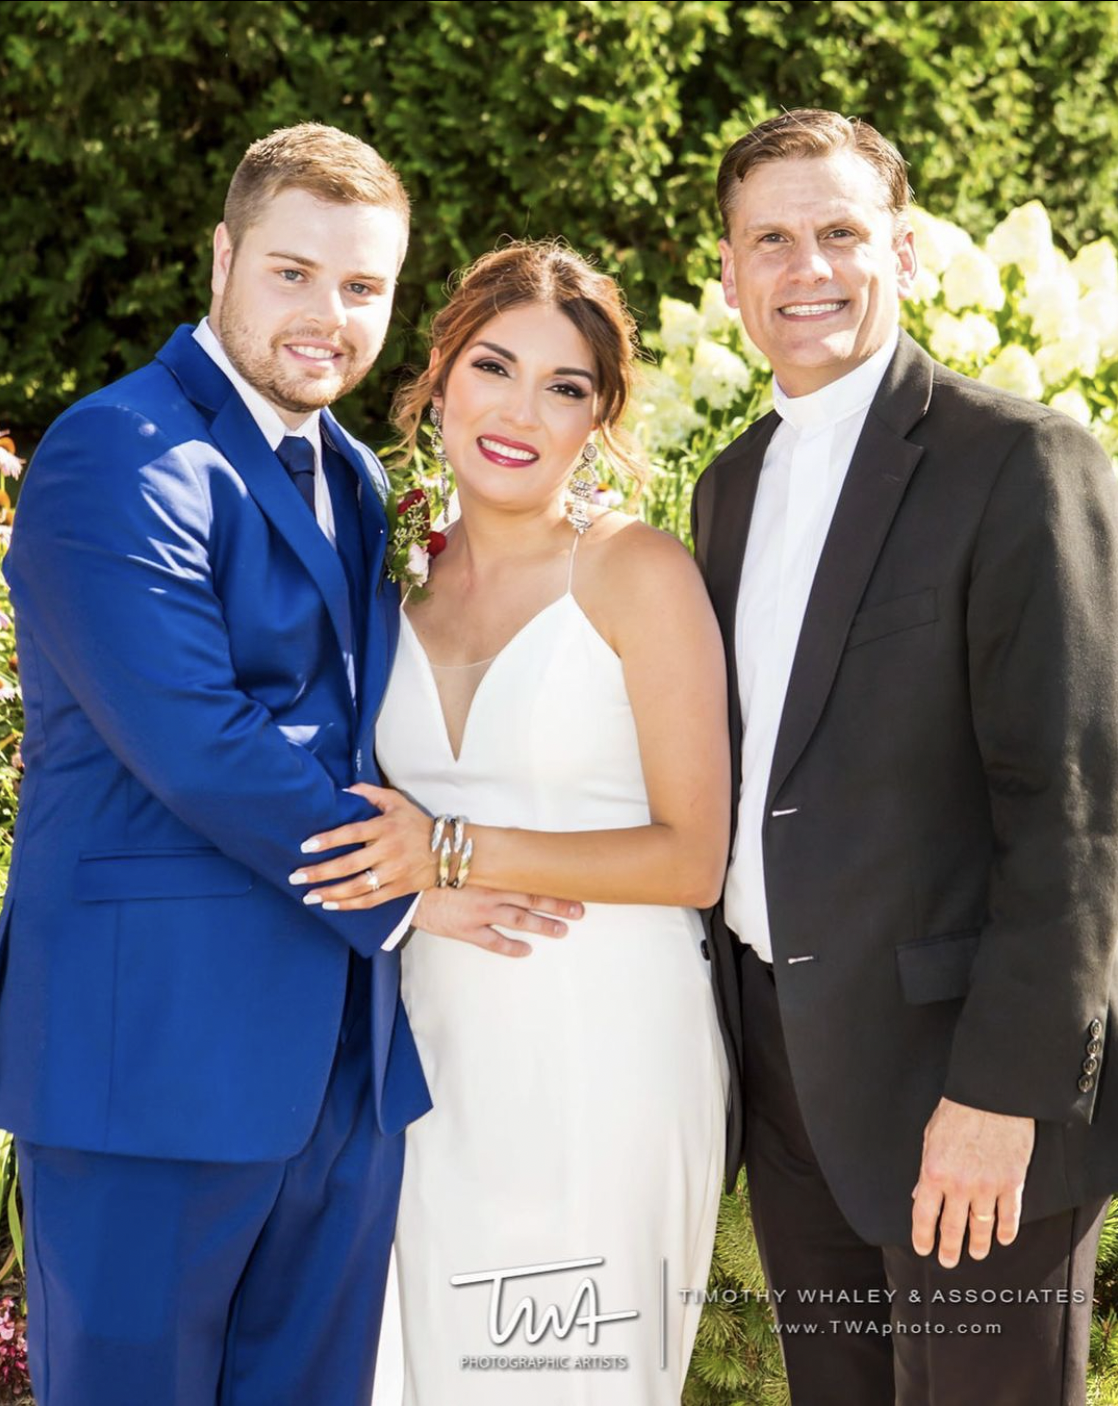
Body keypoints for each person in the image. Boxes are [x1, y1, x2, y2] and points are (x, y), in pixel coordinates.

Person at [0, 125, 578, 1406]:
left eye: (363, 287)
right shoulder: (119, 452)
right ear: (221, 256)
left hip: (343, 1071)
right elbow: (198, 743)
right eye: (292, 273)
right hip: (150, 1062)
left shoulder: (357, 476)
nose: (328, 315)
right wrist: (420, 885)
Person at [688, 107, 1118, 1405]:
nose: (802, 268)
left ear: (906, 249)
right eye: (768, 239)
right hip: (784, 1074)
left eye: (836, 232)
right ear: (727, 273)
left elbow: (1075, 808)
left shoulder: (1018, 459)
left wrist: (1005, 1094)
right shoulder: (726, 484)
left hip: (962, 1080)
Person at [288, 239, 731, 1403]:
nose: (519, 410)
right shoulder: (390, 598)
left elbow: (694, 855)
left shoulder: (635, 571)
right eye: (493, 366)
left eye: (565, 386)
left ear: (600, 418)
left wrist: (447, 846)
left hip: (606, 1045)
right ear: (436, 379)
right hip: (434, 1054)